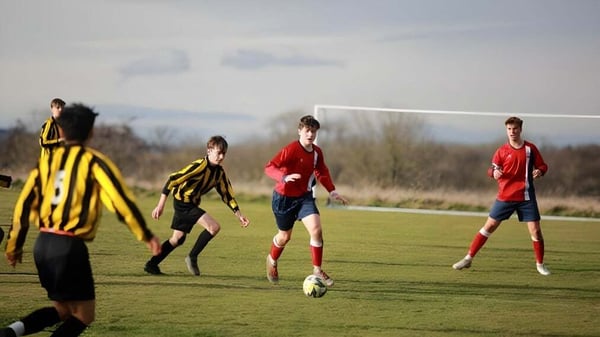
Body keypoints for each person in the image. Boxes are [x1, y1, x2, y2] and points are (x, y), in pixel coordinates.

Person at [1, 103, 161, 337]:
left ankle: (11, 332)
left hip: (42, 244)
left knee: (63, 309)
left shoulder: (46, 163)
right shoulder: (94, 161)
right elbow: (120, 202)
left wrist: (14, 245)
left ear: (61, 131)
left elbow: (23, 206)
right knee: (84, 315)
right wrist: (146, 235)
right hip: (69, 246)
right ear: (91, 132)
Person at [452, 116, 550, 276]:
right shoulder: (501, 151)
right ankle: (468, 258)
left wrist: (540, 171)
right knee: (488, 227)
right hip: (505, 196)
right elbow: (491, 169)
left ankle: (540, 265)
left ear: (520, 130)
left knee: (536, 231)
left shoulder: (530, 149)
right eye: (509, 129)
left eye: (515, 129)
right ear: (506, 131)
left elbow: (543, 165)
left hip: (526, 197)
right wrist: (494, 172)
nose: (512, 132)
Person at [143, 135, 250, 276]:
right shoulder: (199, 166)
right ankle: (192, 257)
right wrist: (160, 205)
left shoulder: (219, 173)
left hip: (190, 204)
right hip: (183, 204)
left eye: (224, 153)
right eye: (219, 152)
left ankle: (151, 265)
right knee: (214, 227)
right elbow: (172, 179)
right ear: (209, 150)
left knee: (177, 239)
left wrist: (239, 215)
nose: (221, 156)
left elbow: (227, 195)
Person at [265, 115, 348, 287]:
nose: (310, 134)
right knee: (284, 237)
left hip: (304, 198)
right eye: (307, 131)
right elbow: (269, 167)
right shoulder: (291, 149)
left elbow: (322, 172)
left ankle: (317, 269)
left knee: (316, 230)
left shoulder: (317, 152)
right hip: (284, 198)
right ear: (300, 131)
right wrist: (284, 177)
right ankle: (272, 260)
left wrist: (332, 191)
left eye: (313, 131)